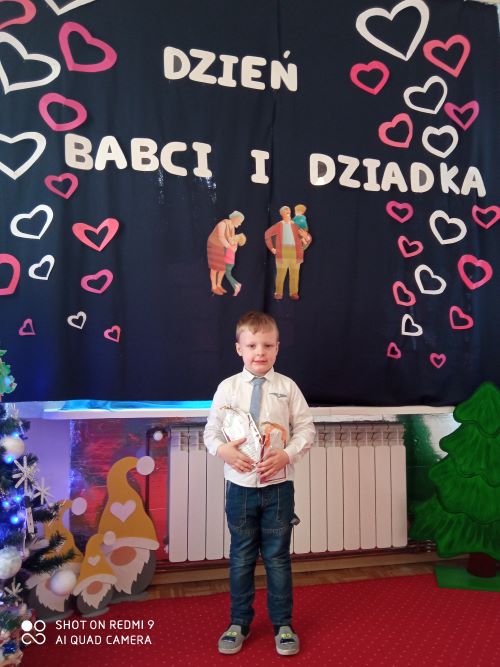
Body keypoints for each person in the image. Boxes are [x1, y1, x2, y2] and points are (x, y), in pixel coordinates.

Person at [204, 311, 315, 656]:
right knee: (241, 557)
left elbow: (306, 430)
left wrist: (287, 455)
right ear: (239, 348)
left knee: (277, 558)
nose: (260, 352)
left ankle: (283, 624)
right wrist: (222, 450)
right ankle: (239, 622)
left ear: (277, 348)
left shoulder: (287, 388)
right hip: (239, 489)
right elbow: (211, 432)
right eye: (252, 345)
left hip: (278, 490)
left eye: (267, 345)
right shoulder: (227, 388)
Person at [264, 206, 312, 301]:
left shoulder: (296, 225)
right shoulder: (279, 225)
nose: (289, 213)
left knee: (295, 273)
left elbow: (307, 236)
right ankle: (278, 292)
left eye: (289, 211)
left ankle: (294, 293)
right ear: (281, 214)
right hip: (282, 252)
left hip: (295, 252)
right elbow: (267, 234)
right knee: (280, 273)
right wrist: (272, 248)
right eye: (286, 212)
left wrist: (306, 236)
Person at [207, 211, 245, 295]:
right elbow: (221, 238)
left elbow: (231, 239)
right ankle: (214, 287)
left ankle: (219, 285)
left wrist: (234, 245)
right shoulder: (223, 224)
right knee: (214, 268)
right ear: (235, 218)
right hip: (214, 245)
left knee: (223, 268)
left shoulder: (232, 227)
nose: (240, 224)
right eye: (239, 221)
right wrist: (230, 247)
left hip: (223, 247)